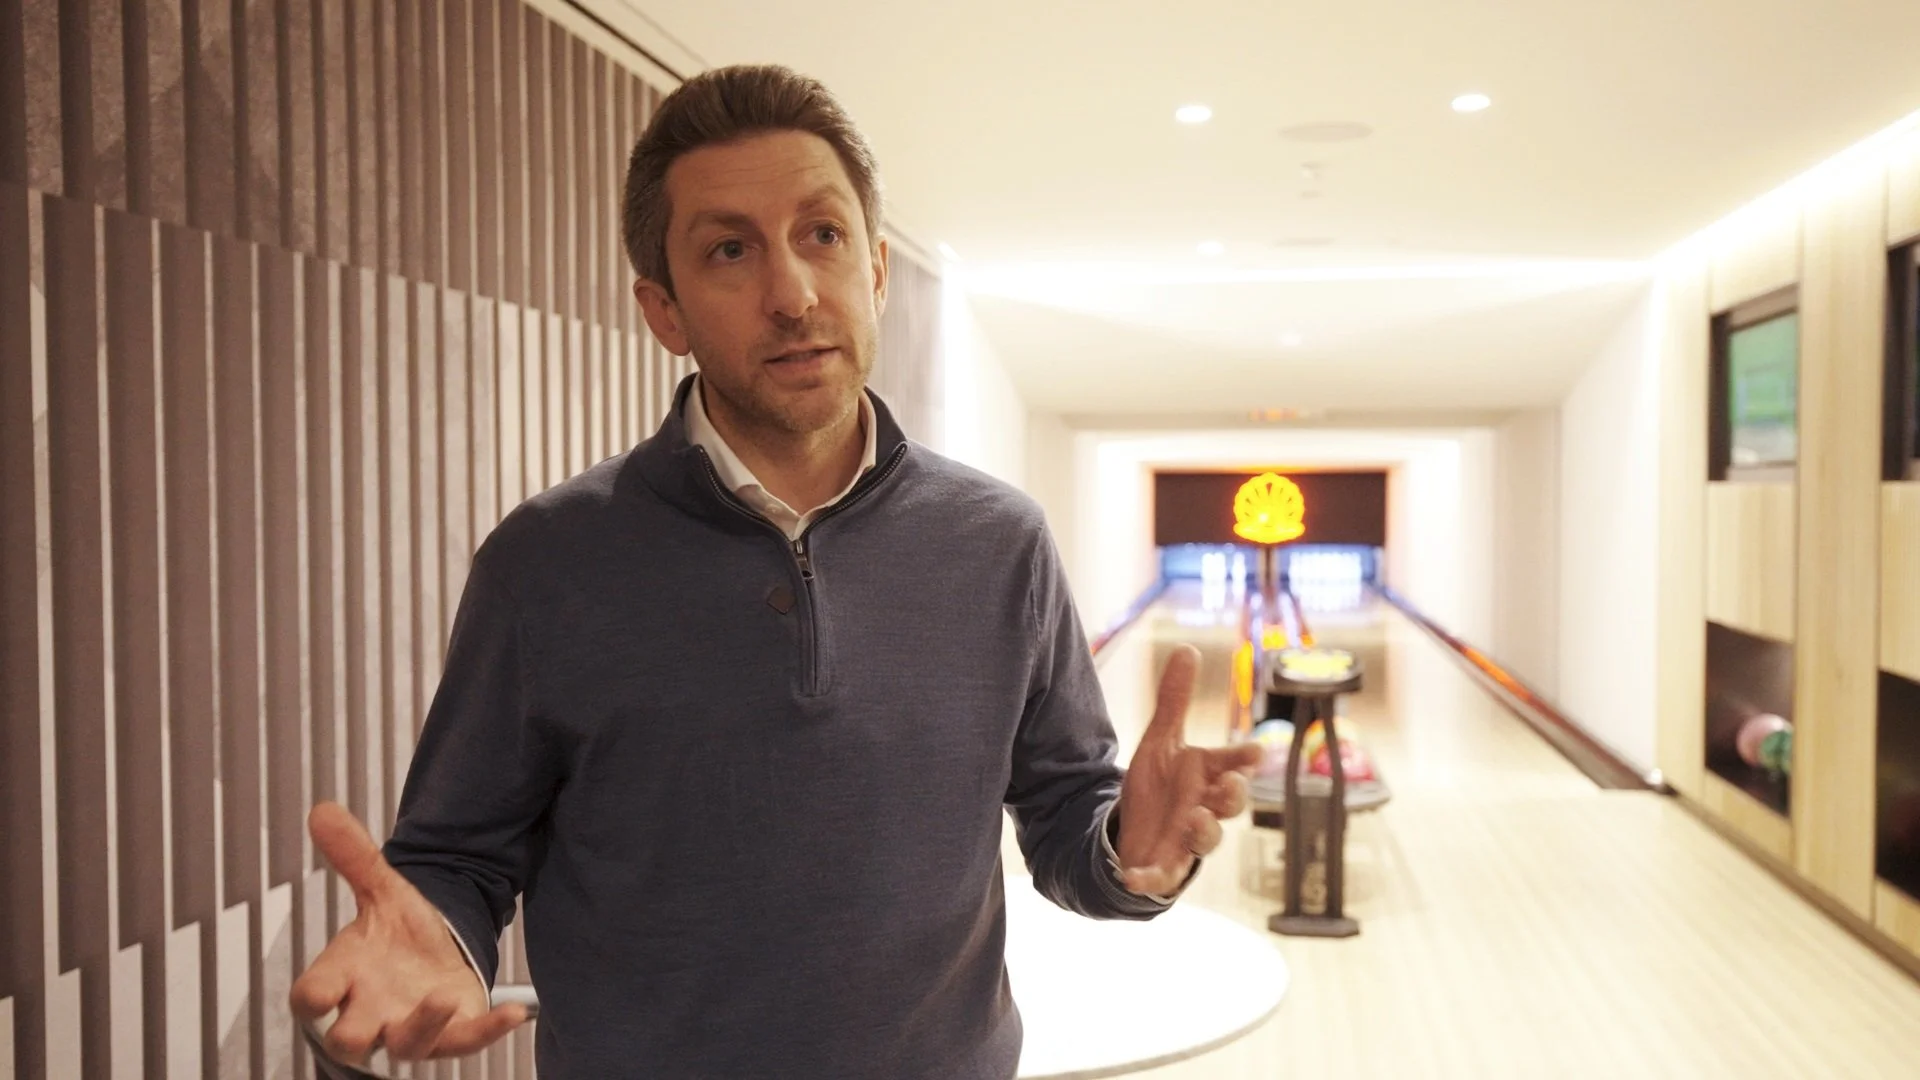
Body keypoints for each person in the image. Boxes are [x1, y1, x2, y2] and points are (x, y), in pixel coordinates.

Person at [290, 63, 1262, 1080]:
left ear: (876, 269)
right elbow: (459, 855)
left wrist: (1133, 853)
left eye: (823, 236)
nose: (792, 293)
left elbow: (1072, 825)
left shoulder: (1000, 542)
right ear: (663, 311)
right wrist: (438, 939)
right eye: (729, 251)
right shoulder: (547, 563)